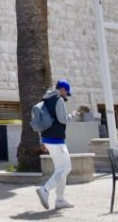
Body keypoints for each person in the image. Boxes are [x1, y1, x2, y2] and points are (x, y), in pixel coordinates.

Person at [35, 79, 74, 211]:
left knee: (60, 168)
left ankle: (60, 199)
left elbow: (44, 119)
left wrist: (42, 141)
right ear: (62, 89)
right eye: (66, 92)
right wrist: (73, 115)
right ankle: (45, 189)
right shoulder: (58, 99)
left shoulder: (46, 98)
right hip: (56, 139)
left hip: (48, 138)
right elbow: (62, 119)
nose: (66, 95)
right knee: (66, 167)